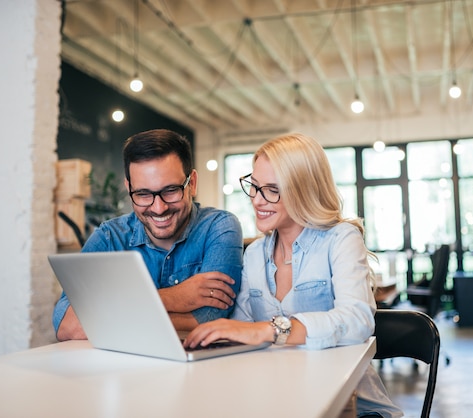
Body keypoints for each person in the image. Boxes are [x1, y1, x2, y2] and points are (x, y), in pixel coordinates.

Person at [184, 133, 403, 418]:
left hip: (353, 406)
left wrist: (270, 330)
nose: (258, 200)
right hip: (278, 399)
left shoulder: (340, 238)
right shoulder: (253, 254)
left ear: (303, 189)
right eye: (255, 186)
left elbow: (357, 319)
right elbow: (242, 329)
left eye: (272, 189)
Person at [52, 129, 243, 341]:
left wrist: (108, 315)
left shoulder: (219, 227)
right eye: (143, 194)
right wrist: (175, 297)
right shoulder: (109, 237)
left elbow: (211, 318)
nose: (159, 208)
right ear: (129, 188)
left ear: (193, 183)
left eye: (171, 190)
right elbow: (67, 325)